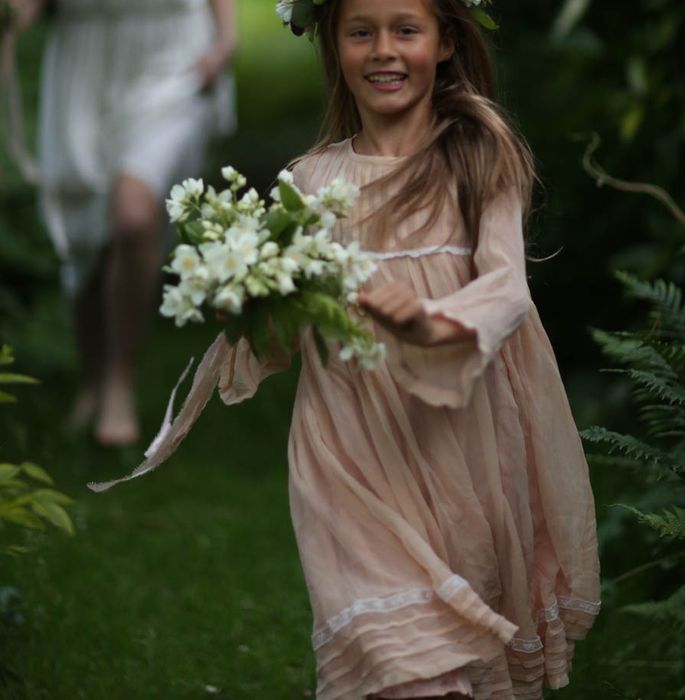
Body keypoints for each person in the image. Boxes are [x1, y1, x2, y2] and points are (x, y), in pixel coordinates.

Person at [94, 0, 601, 697]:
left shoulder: (478, 154)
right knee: (395, 657)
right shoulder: (312, 183)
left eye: (406, 30)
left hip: (456, 445)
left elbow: (508, 289)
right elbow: (290, 332)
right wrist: (246, 301)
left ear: (447, 40)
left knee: (456, 652)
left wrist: (431, 324)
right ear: (333, 44)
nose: (383, 50)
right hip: (348, 451)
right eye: (361, 32)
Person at [10, 0, 236, 446]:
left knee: (134, 217)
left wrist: (227, 39)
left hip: (172, 53)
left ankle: (119, 380)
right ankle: (92, 377)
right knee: (84, 235)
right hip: (84, 61)